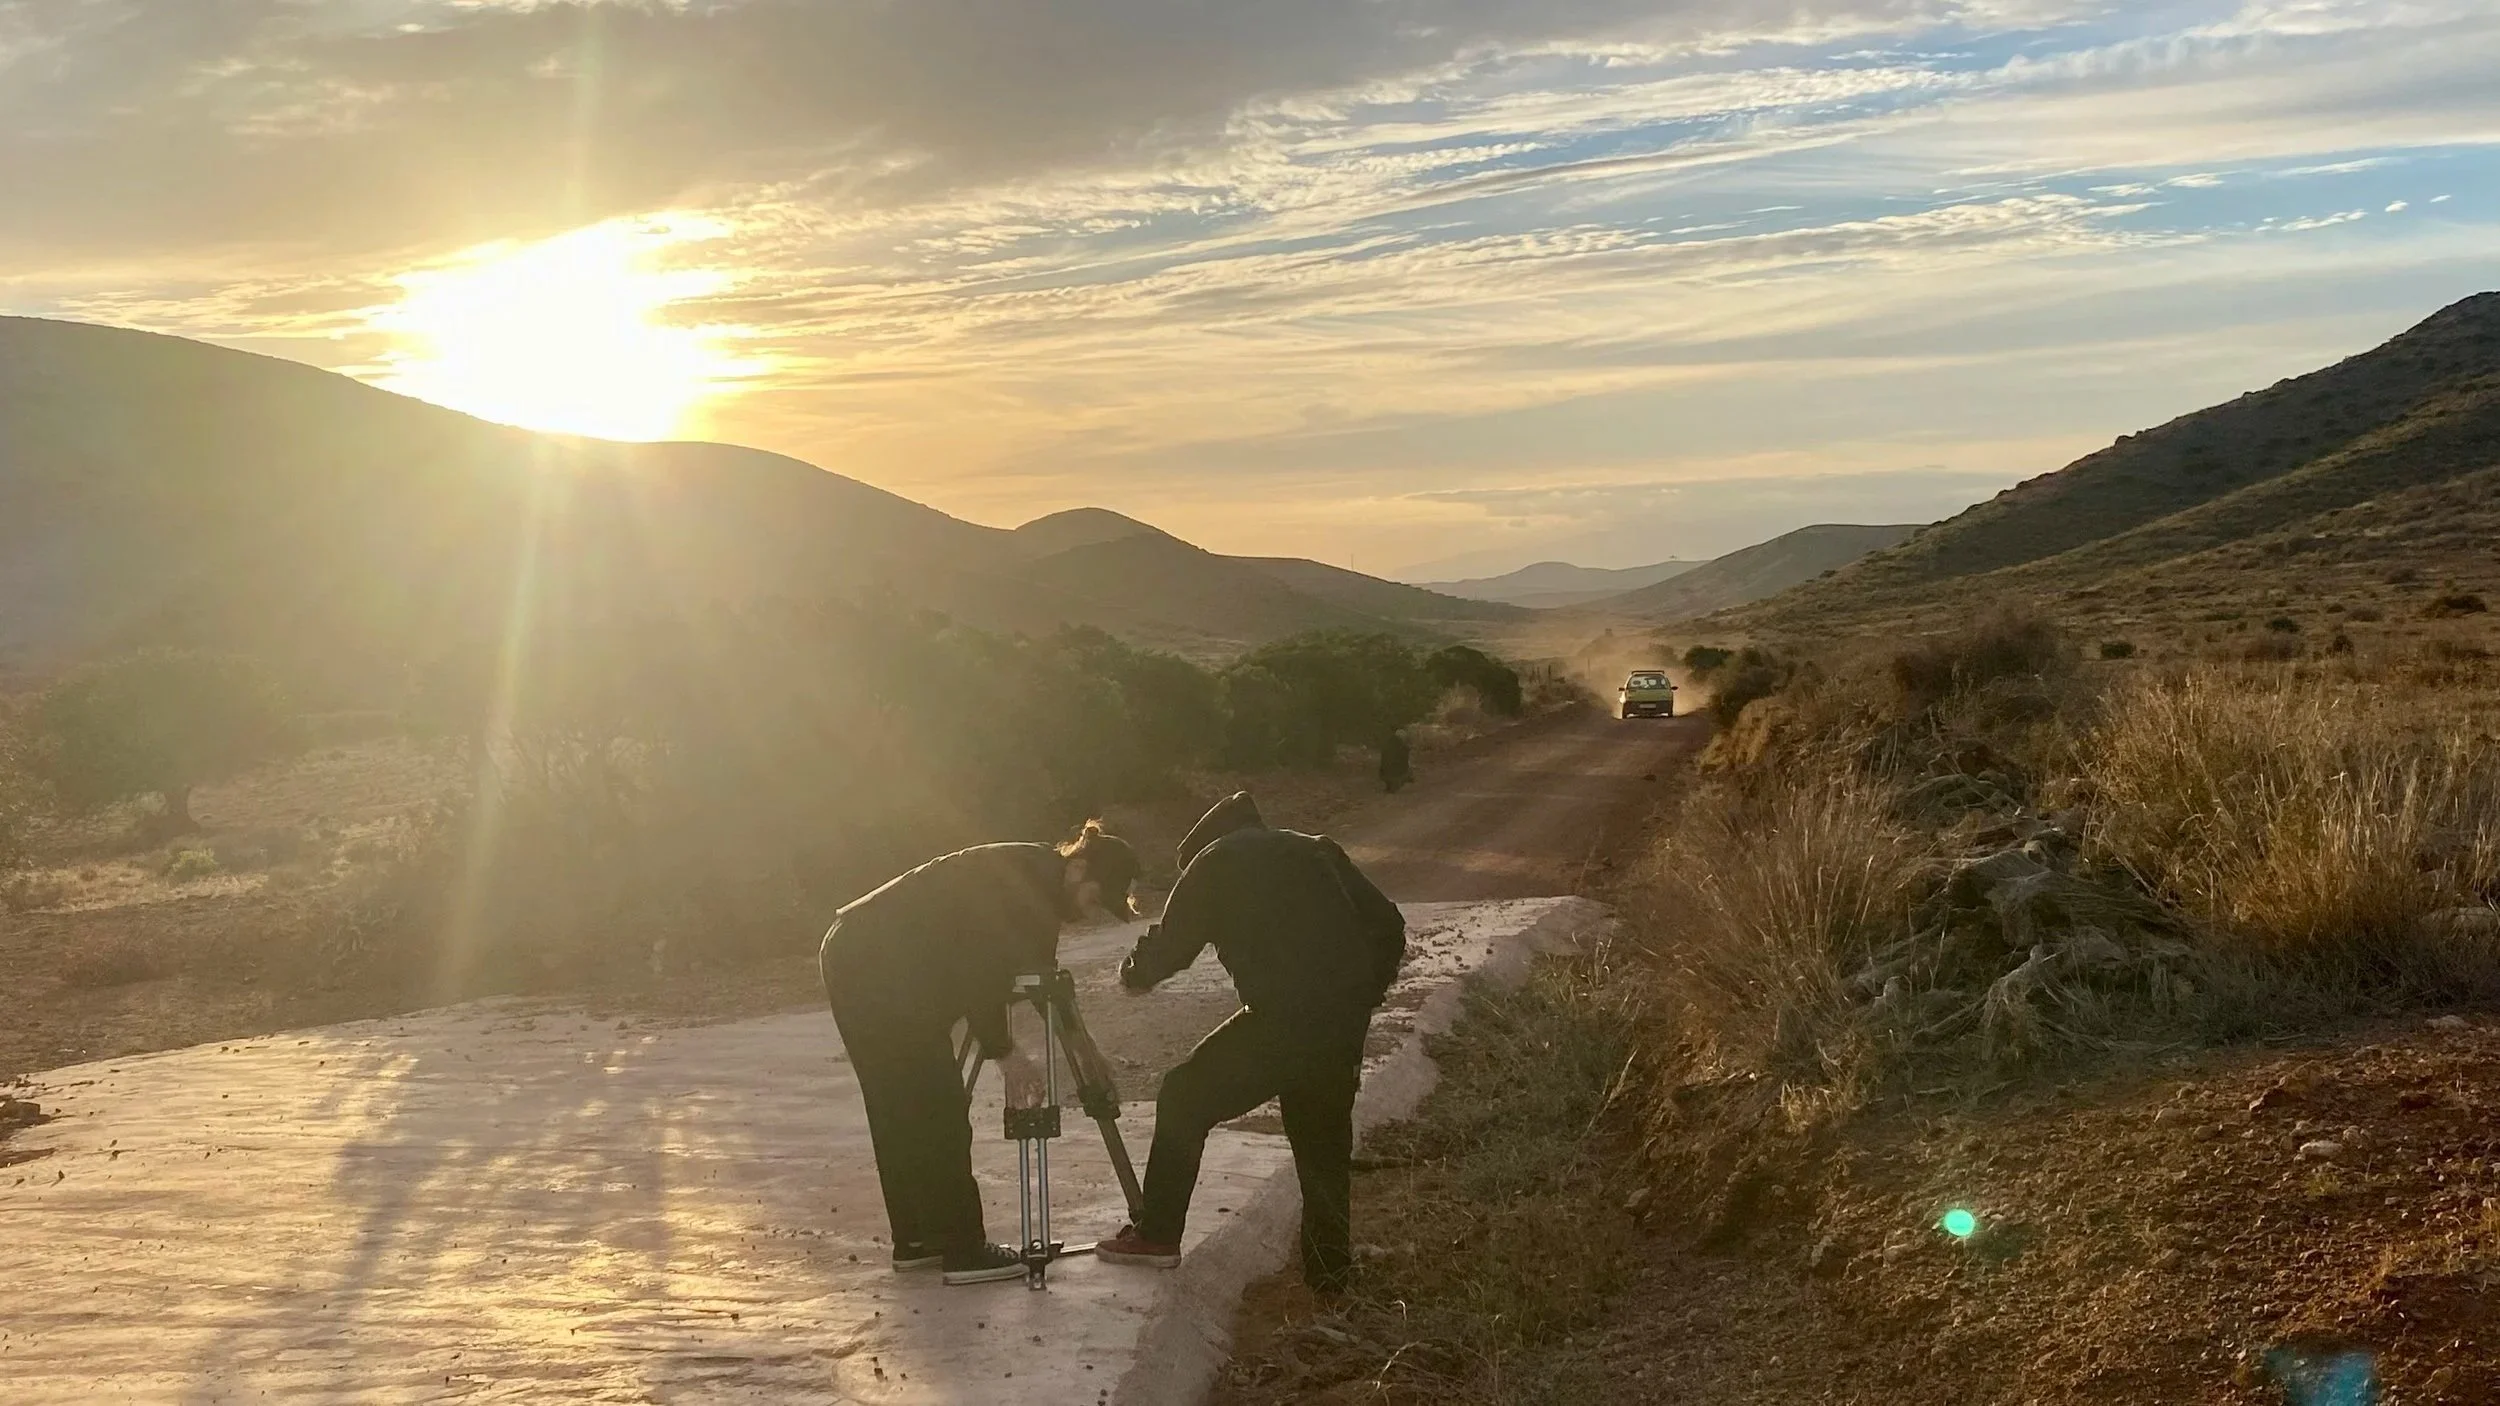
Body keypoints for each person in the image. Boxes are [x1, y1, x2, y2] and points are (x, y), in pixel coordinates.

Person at [1096, 793, 1404, 1293]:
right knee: (1321, 1143)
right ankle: (1330, 1273)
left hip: (1279, 1020)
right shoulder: (1317, 848)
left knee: (1183, 1096)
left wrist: (1132, 972)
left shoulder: (1211, 864)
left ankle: (1156, 1236)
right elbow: (1389, 923)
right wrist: (1367, 993)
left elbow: (1172, 947)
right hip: (1341, 1022)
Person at [818, 821, 1141, 1285]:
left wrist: (1090, 1052)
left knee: (899, 1104)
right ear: (1079, 868)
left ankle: (918, 1239)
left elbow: (1037, 974)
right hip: (877, 967)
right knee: (937, 1108)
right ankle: (964, 1250)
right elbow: (979, 974)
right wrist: (1006, 1054)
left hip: (856, 954)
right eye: (1095, 898)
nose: (1092, 913)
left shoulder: (1037, 880)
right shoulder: (1020, 883)